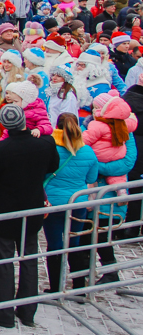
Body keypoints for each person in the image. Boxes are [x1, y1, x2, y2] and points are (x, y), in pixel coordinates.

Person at [0, 104, 59, 328]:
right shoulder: (45, 144)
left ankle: (4, 313)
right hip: (32, 208)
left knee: (4, 262)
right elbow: (53, 165)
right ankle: (27, 311)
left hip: (5, 212)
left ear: (3, 125)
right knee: (29, 259)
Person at [41, 113, 98, 293]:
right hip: (77, 204)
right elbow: (91, 178)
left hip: (53, 203)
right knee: (75, 243)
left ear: (57, 127)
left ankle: (56, 288)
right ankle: (79, 285)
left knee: (54, 245)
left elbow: (42, 174)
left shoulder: (50, 149)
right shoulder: (88, 151)